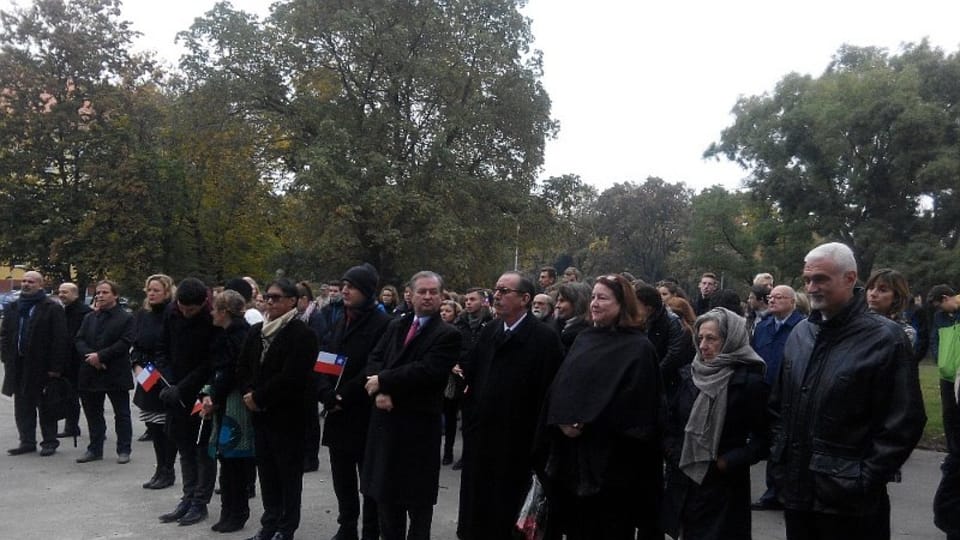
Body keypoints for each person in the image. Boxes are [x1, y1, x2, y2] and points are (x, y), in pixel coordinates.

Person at [768, 242, 925, 540]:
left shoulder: (885, 339)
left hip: (852, 507)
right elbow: (779, 405)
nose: (812, 287)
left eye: (821, 279)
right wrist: (780, 460)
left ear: (850, 279)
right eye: (807, 280)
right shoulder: (801, 334)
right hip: (798, 496)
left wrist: (863, 480)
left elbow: (905, 421)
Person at [541, 274, 664, 540]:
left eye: (603, 298)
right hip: (572, 461)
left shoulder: (639, 348)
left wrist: (588, 423)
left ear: (622, 304)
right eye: (593, 297)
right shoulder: (584, 339)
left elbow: (639, 408)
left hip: (613, 466)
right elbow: (561, 387)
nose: (595, 303)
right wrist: (562, 419)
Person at [456, 271, 563, 540]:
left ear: (525, 299)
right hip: (481, 439)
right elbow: (474, 378)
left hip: (517, 445)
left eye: (505, 291)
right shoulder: (490, 330)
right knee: (477, 511)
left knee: (506, 515)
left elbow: (549, 395)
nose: (497, 297)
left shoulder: (544, 339)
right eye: (496, 290)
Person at [361, 271, 462, 540]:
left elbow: (427, 371)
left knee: (418, 508)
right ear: (411, 293)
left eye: (433, 292)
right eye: (422, 291)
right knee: (387, 503)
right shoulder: (397, 325)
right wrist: (378, 392)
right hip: (386, 426)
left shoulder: (447, 334)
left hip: (417, 430)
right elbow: (375, 358)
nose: (427, 296)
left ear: (442, 296)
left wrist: (383, 381)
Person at [661, 308, 769, 539]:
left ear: (730, 339)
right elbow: (670, 422)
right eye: (700, 338)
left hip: (723, 485)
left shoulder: (748, 381)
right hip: (685, 479)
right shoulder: (690, 374)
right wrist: (674, 451)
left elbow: (765, 437)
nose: (703, 346)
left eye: (711, 339)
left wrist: (728, 462)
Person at [237, 278, 319, 540]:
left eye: (276, 297)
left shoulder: (302, 334)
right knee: (267, 474)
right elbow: (243, 367)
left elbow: (293, 376)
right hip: (260, 416)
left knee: (288, 476)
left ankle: (286, 528)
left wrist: (259, 397)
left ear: (292, 301)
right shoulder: (257, 331)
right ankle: (269, 523)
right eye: (267, 297)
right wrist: (248, 393)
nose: (269, 302)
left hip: (288, 416)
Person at [318, 263, 392, 540]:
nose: (345, 290)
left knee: (369, 478)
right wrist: (324, 391)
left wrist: (343, 395)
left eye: (351, 286)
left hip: (364, 412)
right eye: (344, 285)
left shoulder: (383, 323)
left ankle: (370, 531)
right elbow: (326, 357)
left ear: (367, 291)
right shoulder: (340, 320)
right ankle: (347, 525)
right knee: (342, 476)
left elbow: (373, 366)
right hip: (336, 412)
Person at [158, 278, 219, 527]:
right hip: (174, 390)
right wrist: (168, 381)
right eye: (182, 307)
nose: (185, 313)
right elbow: (161, 349)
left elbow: (209, 362)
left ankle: (199, 502)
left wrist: (183, 387)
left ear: (203, 303)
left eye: (190, 310)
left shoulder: (211, 320)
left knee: (202, 449)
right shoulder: (171, 313)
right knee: (183, 446)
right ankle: (187, 496)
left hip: (199, 392)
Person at [200, 290, 253, 533]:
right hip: (224, 397)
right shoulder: (229, 333)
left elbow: (231, 371)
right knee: (227, 459)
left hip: (234, 404)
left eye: (215, 309)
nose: (211, 312)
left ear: (224, 312)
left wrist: (214, 396)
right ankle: (229, 510)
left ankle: (236, 511)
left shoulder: (237, 336)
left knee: (234, 462)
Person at [1, 270, 69, 457]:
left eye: (31, 281)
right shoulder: (13, 307)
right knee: (22, 405)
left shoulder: (51, 308)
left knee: (46, 405)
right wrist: (6, 357)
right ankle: (27, 441)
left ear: (40, 285)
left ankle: (49, 441)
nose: (26, 284)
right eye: (23, 281)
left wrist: (56, 368)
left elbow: (60, 339)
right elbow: (6, 335)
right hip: (18, 364)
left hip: (42, 366)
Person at [750, 284, 804, 510]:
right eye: (770, 298)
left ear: (792, 302)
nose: (772, 301)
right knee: (768, 443)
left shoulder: (802, 327)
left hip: (789, 394)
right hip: (763, 392)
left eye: (779, 298)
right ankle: (772, 492)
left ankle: (787, 492)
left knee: (785, 446)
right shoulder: (763, 326)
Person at [75, 280, 135, 464]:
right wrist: (90, 357)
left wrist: (101, 356)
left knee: (122, 413)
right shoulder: (90, 317)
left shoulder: (126, 318)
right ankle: (95, 448)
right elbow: (79, 339)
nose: (99, 296)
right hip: (91, 372)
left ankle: (124, 449)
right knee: (93, 413)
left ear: (115, 295)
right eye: (98, 293)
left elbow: (125, 342)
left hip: (115, 371)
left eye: (104, 292)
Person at [133, 274, 178, 490]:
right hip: (146, 373)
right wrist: (137, 367)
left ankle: (168, 470)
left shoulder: (173, 314)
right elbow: (136, 344)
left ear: (167, 292)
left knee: (165, 427)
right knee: (152, 424)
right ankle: (160, 468)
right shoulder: (143, 314)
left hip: (165, 376)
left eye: (156, 290)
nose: (151, 293)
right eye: (149, 289)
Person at [635, 282, 688, 398]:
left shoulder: (671, 322)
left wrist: (655, 372)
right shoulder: (638, 321)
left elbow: (674, 353)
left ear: (648, 308)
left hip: (665, 381)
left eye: (637, 305)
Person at [57, 281, 91, 439]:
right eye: (60, 292)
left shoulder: (85, 312)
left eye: (65, 292)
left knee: (88, 399)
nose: (61, 295)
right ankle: (71, 426)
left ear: (75, 294)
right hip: (67, 361)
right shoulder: (62, 311)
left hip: (81, 361)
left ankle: (96, 429)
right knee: (69, 397)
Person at [865, 268, 917, 348]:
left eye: (882, 290)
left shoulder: (904, 332)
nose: (873, 294)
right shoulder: (855, 322)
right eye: (871, 288)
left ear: (896, 296)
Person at [553, 281, 592, 354]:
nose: (557, 305)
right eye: (557, 301)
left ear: (577, 303)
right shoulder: (557, 328)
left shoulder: (586, 336)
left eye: (562, 301)